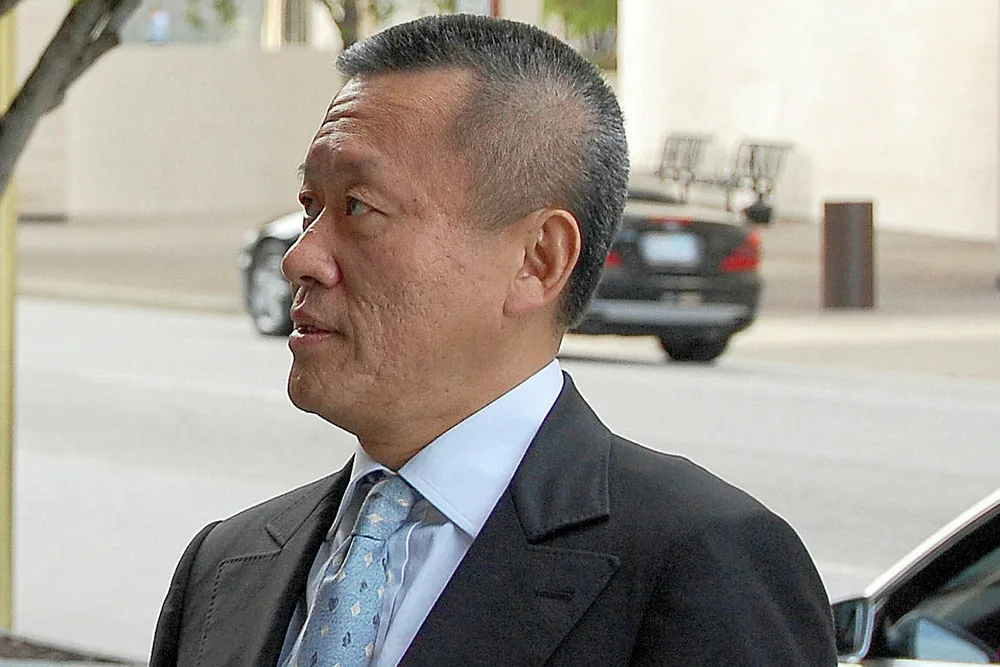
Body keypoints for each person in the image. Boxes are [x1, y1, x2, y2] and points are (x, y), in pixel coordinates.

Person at [150, 14, 837, 667]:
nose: (301, 258)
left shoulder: (702, 562)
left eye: (359, 207)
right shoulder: (227, 566)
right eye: (310, 208)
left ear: (537, 259)